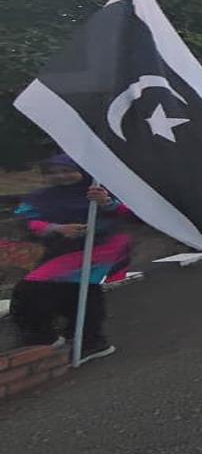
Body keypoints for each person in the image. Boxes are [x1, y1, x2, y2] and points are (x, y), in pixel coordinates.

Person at [9, 155, 131, 362]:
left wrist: (107, 203)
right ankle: (86, 340)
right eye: (53, 172)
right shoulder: (41, 197)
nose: (61, 176)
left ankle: (51, 337)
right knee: (76, 292)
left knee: (30, 289)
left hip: (100, 249)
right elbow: (26, 220)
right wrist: (56, 228)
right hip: (61, 250)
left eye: (67, 171)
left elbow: (130, 213)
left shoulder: (99, 191)